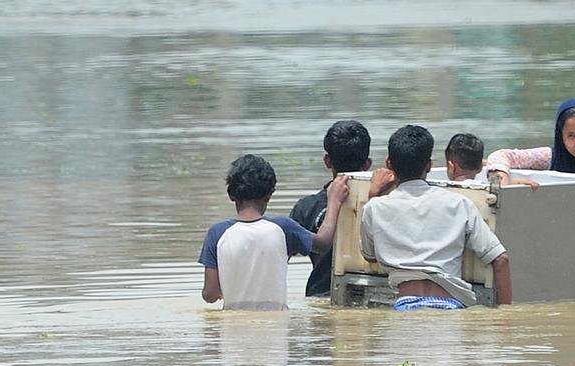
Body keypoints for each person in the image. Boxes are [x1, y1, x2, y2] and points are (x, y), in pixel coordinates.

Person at [360, 125, 512, 311]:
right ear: (429, 165)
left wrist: (373, 194)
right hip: (451, 306)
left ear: (389, 163)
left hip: (404, 307)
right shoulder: (459, 204)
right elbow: (500, 259)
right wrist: (506, 317)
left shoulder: (374, 208)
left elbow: (369, 256)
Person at [199, 154, 349, 310]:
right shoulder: (283, 228)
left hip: (232, 327)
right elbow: (323, 243)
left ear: (231, 195)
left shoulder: (217, 233)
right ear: (269, 195)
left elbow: (210, 294)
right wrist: (334, 202)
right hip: (276, 325)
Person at [290, 120, 372, 297]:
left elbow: (280, 257)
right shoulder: (383, 201)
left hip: (320, 297)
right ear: (367, 164)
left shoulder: (306, 208)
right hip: (371, 295)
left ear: (327, 161)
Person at [445, 132, 540, 189]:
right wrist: (518, 183)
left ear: (451, 167)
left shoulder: (447, 191)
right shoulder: (486, 188)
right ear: (480, 167)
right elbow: (501, 189)